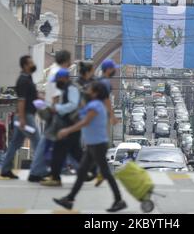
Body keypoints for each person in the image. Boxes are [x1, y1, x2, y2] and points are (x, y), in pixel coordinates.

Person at [53, 81, 127, 213]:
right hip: (93, 145)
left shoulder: (95, 106)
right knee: (81, 172)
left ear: (95, 93)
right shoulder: (93, 105)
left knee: (106, 173)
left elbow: (84, 122)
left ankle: (119, 200)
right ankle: (69, 199)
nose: (87, 91)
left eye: (89, 89)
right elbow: (81, 117)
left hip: (98, 145)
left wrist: (67, 131)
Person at [28, 50, 71, 182]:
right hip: (54, 112)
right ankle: (37, 171)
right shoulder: (58, 73)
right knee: (47, 140)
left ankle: (40, 170)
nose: (70, 63)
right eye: (69, 60)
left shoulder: (53, 70)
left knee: (47, 140)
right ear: (65, 60)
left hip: (51, 110)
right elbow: (56, 96)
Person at [41, 68, 82, 187]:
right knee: (75, 153)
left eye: (57, 80)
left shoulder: (71, 88)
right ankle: (94, 170)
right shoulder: (66, 89)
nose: (56, 82)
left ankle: (55, 177)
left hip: (69, 126)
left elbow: (73, 105)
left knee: (60, 152)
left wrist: (58, 108)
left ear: (63, 78)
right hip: (68, 126)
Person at [0, 56, 40, 179]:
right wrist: (22, 119)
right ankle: (36, 172)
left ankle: (5, 169)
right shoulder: (23, 80)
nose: (33, 64)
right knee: (38, 142)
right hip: (25, 117)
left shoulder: (28, 78)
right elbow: (21, 101)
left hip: (24, 116)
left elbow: (30, 96)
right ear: (25, 66)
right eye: (30, 63)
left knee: (15, 144)